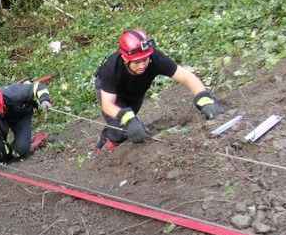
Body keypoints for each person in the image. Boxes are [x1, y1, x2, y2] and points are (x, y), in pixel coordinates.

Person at [94, 29, 223, 151]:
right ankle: (106, 146)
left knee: (132, 118)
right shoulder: (111, 69)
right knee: (122, 125)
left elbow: (186, 77)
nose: (142, 65)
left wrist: (204, 99)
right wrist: (127, 118)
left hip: (136, 89)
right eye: (137, 62)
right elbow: (107, 104)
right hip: (111, 91)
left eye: (145, 60)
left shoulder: (155, 58)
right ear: (125, 58)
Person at [0, 82, 52, 161]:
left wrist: (44, 100)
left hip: (20, 117)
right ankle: (4, 152)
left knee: (21, 149)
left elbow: (37, 86)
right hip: (0, 122)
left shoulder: (13, 93)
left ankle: (19, 148)